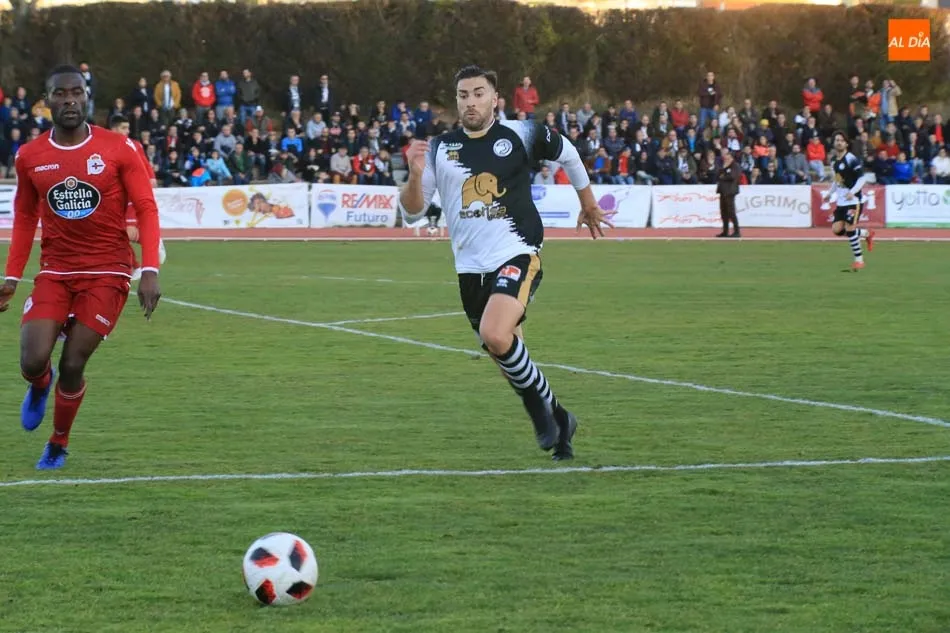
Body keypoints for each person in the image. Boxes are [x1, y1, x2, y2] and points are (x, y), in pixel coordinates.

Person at [398, 65, 613, 461]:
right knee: (510, 358)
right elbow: (412, 212)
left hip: (517, 251)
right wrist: (413, 175)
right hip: (470, 269)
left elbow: (567, 152)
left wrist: (588, 202)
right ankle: (561, 418)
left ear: (495, 99)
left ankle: (538, 413)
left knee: (495, 334)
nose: (470, 102)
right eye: (463, 95)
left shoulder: (520, 133)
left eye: (478, 93)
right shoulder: (441, 149)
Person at [0, 65, 162, 470]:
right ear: (46, 101)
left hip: (108, 270)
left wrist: (149, 269)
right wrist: (12, 276)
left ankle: (58, 443)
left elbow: (145, 207)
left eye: (77, 92)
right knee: (32, 361)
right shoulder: (30, 156)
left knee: (73, 361)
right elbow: (25, 217)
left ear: (87, 97)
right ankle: (40, 384)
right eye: (60, 93)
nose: (69, 99)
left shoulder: (120, 148)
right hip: (56, 269)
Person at [109, 113, 168, 280]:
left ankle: (143, 253)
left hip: (130, 195)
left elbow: (144, 163)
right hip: (113, 195)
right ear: (114, 129)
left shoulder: (133, 145)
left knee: (124, 232)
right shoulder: (105, 145)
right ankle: (134, 265)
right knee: (113, 233)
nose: (127, 131)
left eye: (128, 128)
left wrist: (151, 177)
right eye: (124, 128)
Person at [821, 131, 875, 271]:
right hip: (841, 202)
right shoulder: (834, 161)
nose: (839, 142)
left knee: (850, 229)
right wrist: (829, 194)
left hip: (854, 201)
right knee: (837, 230)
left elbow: (862, 178)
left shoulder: (851, 159)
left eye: (841, 140)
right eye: (837, 140)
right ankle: (866, 233)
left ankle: (859, 261)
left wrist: (853, 192)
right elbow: (837, 180)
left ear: (846, 144)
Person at [716, 148, 741, 238]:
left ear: (731, 157)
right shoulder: (723, 166)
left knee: (731, 212)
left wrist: (723, 176)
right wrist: (723, 170)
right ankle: (725, 231)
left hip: (730, 191)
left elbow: (732, 176)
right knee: (724, 212)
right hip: (723, 191)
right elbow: (718, 175)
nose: (726, 158)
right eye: (725, 157)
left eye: (728, 157)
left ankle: (737, 231)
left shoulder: (735, 166)